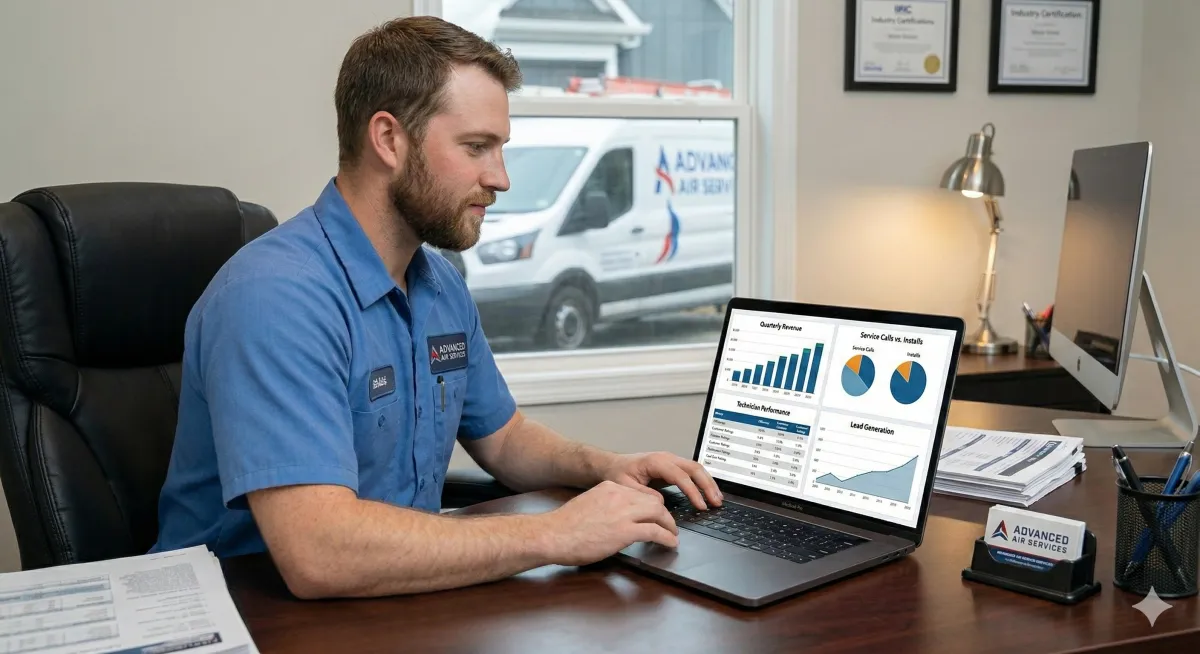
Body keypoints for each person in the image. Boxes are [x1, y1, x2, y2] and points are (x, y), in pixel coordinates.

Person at [150, 15, 722, 600]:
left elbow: (504, 438)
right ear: (388, 140)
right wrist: (556, 533)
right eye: (476, 147)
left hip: (383, 600)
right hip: (242, 610)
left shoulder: (439, 284)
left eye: (500, 149)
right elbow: (318, 554)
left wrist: (606, 466)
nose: (500, 178)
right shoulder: (275, 297)